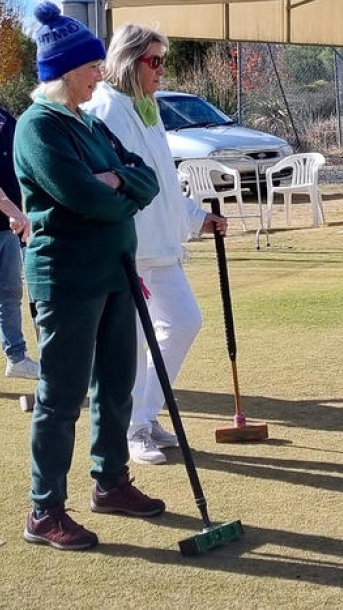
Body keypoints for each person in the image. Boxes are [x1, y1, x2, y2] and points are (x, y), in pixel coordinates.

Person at [14, 1, 163, 550]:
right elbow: (82, 197)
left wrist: (116, 181)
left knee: (116, 383)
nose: (101, 73)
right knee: (62, 395)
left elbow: (146, 179)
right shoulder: (38, 127)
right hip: (68, 278)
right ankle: (44, 510)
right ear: (64, 72)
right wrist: (116, 189)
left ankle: (111, 482)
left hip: (115, 272)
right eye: (91, 66)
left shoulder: (90, 122)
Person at [83, 23, 227, 465]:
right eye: (155, 61)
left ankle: (143, 415)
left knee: (183, 321)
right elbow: (110, 184)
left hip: (160, 246)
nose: (162, 70)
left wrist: (196, 217)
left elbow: (162, 179)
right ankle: (132, 428)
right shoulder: (107, 110)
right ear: (130, 61)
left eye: (163, 61)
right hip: (129, 250)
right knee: (130, 343)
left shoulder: (146, 108)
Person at [0, 105, 39, 381]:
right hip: (10, 217)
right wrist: (12, 210)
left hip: (8, 227)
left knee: (10, 293)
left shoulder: (5, 117)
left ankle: (17, 358)